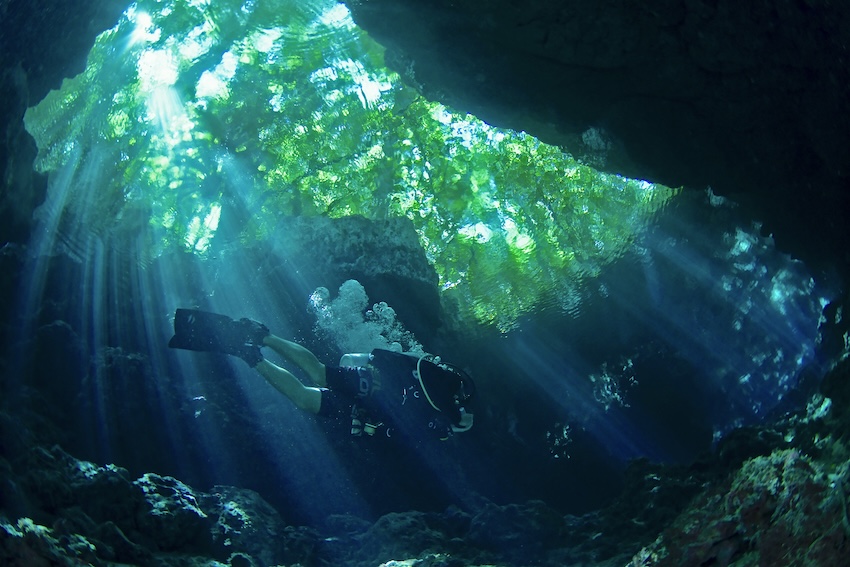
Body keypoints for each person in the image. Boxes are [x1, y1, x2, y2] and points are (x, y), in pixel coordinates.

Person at [168, 308, 474, 441]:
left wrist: (374, 427)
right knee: (318, 374)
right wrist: (459, 414)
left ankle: (249, 355)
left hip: (368, 409)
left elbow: (411, 433)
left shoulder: (440, 423)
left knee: (304, 399)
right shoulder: (443, 383)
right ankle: (261, 335)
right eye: (462, 398)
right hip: (374, 383)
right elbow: (407, 367)